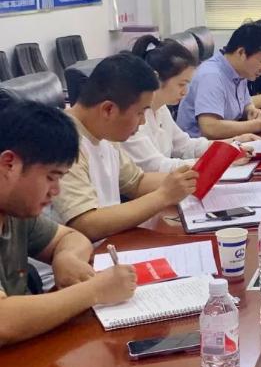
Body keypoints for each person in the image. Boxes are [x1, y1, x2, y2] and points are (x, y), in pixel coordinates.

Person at [0, 100, 137, 347]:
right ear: (9, 164)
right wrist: (96, 290)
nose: (56, 191)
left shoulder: (14, 213)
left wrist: (65, 258)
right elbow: (4, 322)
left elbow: (71, 238)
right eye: (50, 177)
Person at [51, 54, 198, 242]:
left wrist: (190, 179)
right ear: (108, 109)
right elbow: (85, 223)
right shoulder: (63, 141)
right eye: (140, 112)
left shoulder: (104, 131)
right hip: (84, 253)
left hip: (113, 243)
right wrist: (163, 196)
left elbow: (136, 182)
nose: (143, 121)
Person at [123, 35, 259, 173]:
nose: (185, 91)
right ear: (156, 79)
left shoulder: (160, 108)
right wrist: (220, 160)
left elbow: (186, 146)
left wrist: (233, 142)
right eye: (181, 84)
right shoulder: (132, 118)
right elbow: (157, 166)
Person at [177, 22, 261, 139]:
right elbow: (210, 128)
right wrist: (259, 125)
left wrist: (250, 111)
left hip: (228, 140)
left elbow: (245, 104)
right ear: (241, 53)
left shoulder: (240, 71)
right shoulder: (211, 76)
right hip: (203, 147)